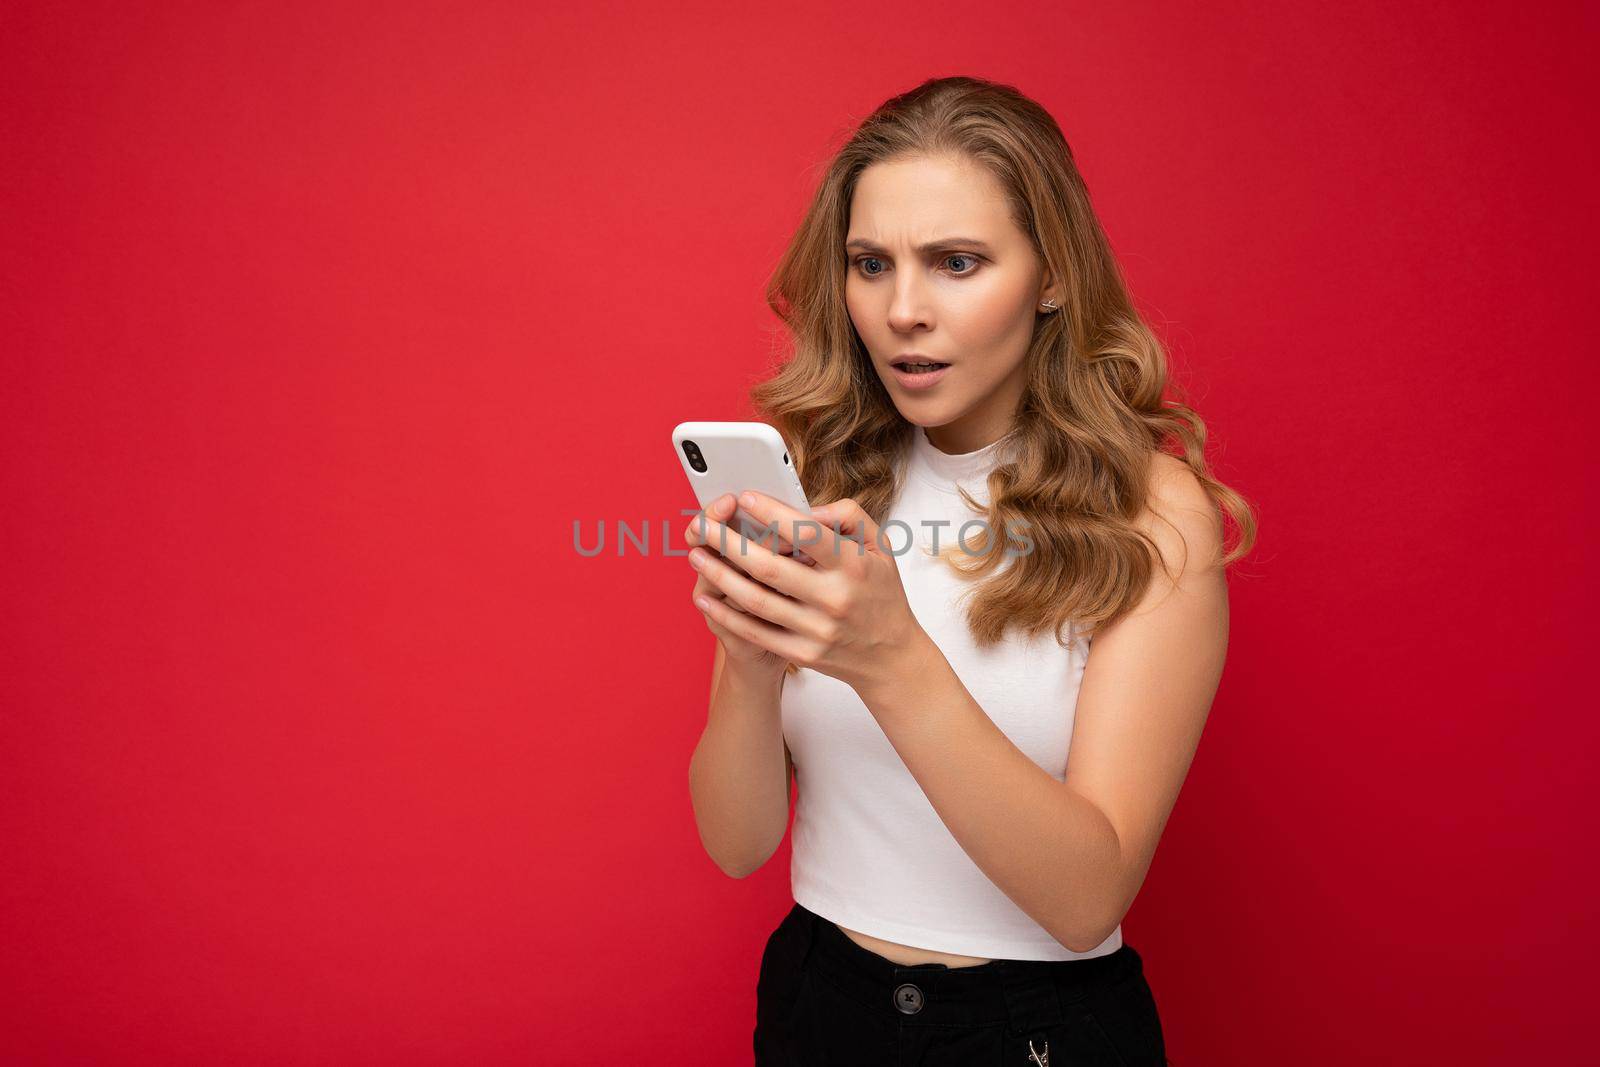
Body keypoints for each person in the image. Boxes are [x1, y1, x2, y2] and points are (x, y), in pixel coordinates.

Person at [684, 75, 1256, 1065]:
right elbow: (736, 844)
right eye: (872, 263)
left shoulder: (1150, 513)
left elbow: (1085, 898)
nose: (902, 309)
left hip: (1028, 1030)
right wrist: (745, 657)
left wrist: (890, 657)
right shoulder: (829, 479)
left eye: (956, 262)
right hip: (816, 1000)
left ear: (1051, 275)